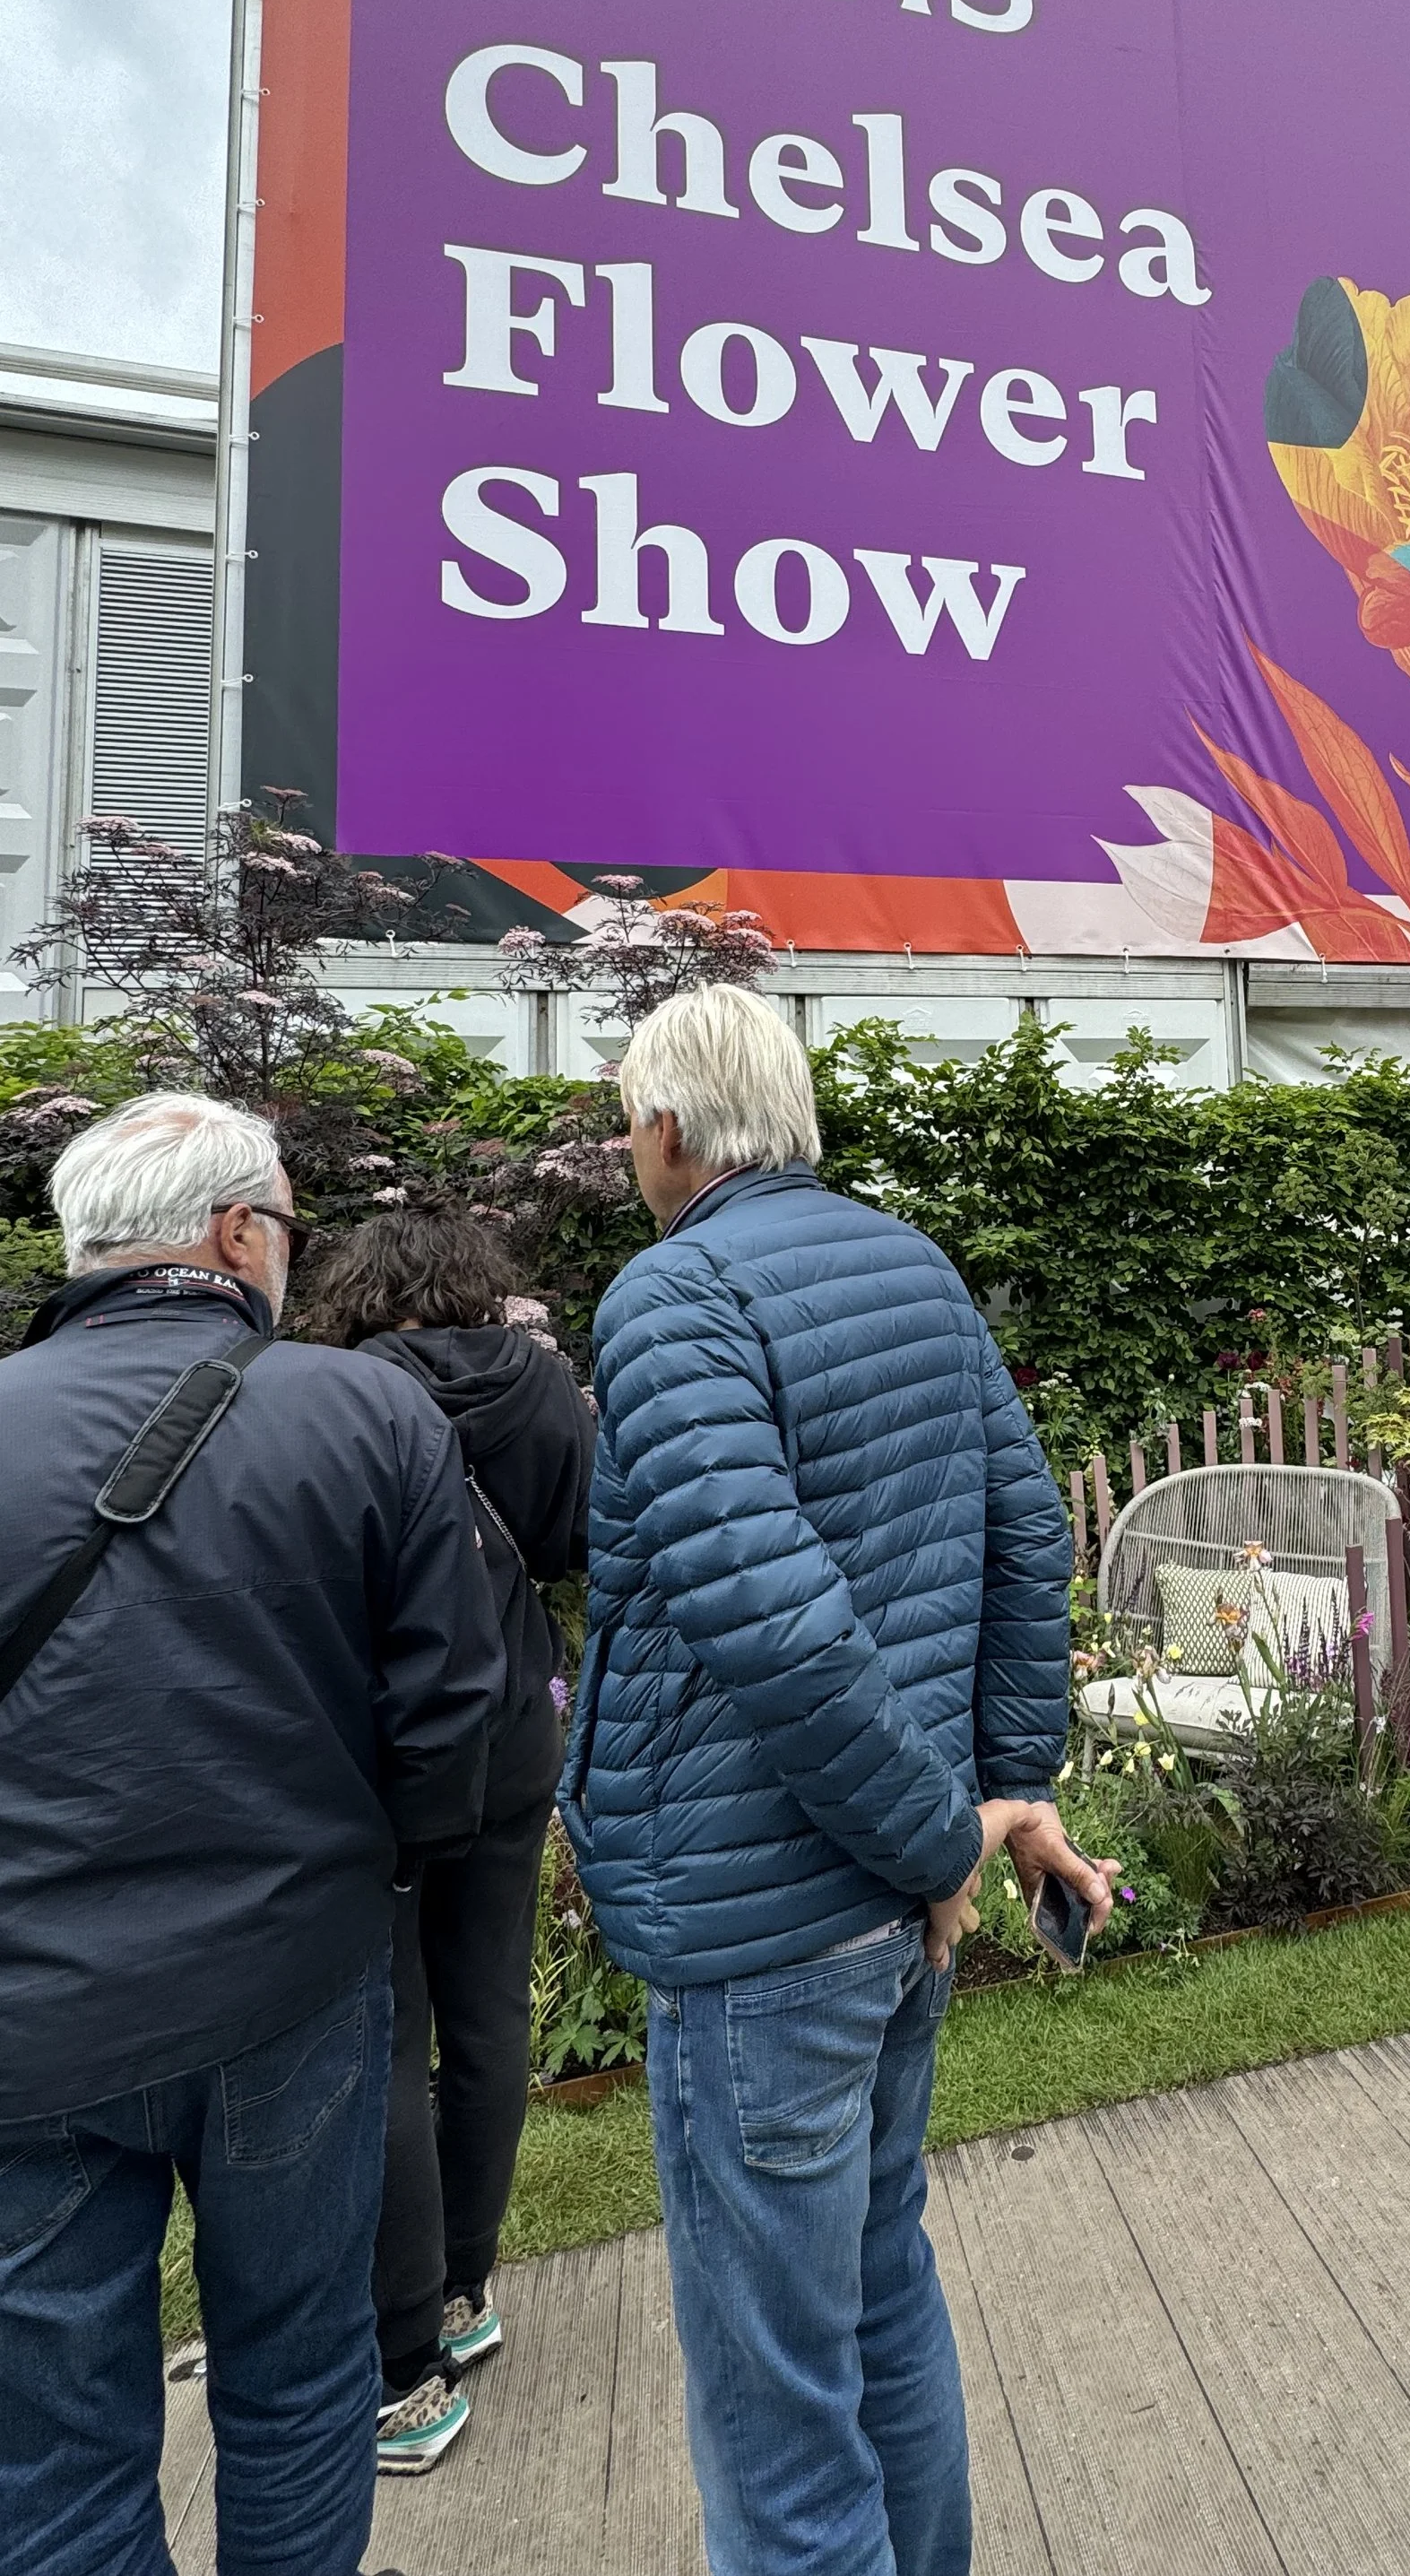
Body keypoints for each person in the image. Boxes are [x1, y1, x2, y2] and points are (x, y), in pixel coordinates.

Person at [567, 985, 1111, 2576]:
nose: (623, 1144)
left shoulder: (677, 1295)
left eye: (626, 1118)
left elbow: (773, 1618)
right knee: (878, 2289)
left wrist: (952, 1829)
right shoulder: (912, 1262)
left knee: (776, 2396)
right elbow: (1031, 1532)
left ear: (671, 1128)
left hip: (773, 1926)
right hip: (886, 1906)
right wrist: (1006, 1788)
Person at [0, 1095, 502, 2576]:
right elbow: (452, 1710)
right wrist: (383, 1864)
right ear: (237, 1234)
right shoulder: (361, 1411)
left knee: (52, 2445)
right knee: (297, 2374)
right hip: (290, 1983)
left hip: (30, 2012)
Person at [295, 1209, 597, 2470]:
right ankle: (463, 2292)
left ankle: (402, 2362)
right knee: (488, 2018)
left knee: (387, 2039)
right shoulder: (538, 1384)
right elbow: (585, 1544)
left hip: (386, 1744)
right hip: (514, 1730)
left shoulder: (328, 1393)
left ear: (356, 1291)